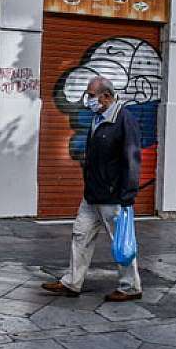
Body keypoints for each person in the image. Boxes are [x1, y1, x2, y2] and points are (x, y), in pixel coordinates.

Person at [41, 76, 143, 302]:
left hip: (113, 197)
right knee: (80, 236)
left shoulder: (125, 121)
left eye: (90, 95)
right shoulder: (98, 118)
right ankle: (72, 283)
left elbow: (132, 160)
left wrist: (128, 195)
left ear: (106, 96)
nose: (87, 100)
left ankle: (130, 287)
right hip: (92, 195)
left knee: (121, 243)